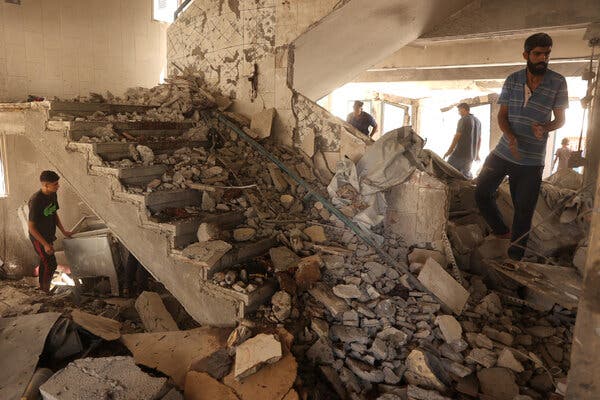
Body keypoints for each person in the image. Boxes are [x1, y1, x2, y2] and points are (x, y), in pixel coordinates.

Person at [475, 33, 568, 261]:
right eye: (537, 54)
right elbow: (502, 116)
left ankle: (515, 260)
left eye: (547, 54)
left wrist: (545, 128)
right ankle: (501, 231)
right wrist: (510, 136)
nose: (543, 59)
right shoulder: (512, 80)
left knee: (523, 213)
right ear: (526, 55)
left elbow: (560, 120)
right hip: (503, 152)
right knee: (481, 192)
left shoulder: (558, 82)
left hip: (531, 162)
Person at [28, 170, 72, 292]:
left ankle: (43, 289)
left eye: (57, 183)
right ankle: (45, 290)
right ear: (46, 185)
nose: (58, 186)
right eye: (55, 184)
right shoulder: (36, 200)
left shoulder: (53, 194)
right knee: (50, 263)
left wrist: (63, 231)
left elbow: (54, 214)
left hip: (48, 236)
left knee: (45, 262)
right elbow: (31, 227)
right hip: (38, 238)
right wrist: (45, 244)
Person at [443, 103, 482, 178]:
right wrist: (477, 154)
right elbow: (479, 139)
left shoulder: (463, 119)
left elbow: (457, 136)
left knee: (447, 173)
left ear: (464, 109)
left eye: (459, 110)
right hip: (471, 156)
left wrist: (449, 151)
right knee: (464, 177)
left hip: (459, 154)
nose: (459, 112)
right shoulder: (478, 121)